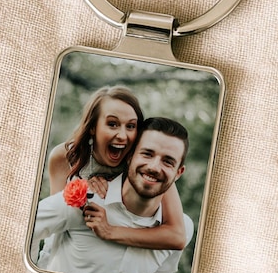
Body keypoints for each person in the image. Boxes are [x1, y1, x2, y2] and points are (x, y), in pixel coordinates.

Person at [32, 118, 194, 273]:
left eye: (168, 161)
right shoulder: (85, 200)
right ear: (129, 156)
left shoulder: (184, 228)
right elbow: (25, 228)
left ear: (179, 173)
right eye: (147, 154)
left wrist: (110, 231)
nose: (154, 167)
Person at [45, 86, 187, 251]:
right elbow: (55, 221)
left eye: (131, 126)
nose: (122, 135)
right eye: (112, 124)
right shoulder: (64, 156)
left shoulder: (146, 167)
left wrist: (110, 231)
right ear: (93, 127)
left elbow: (177, 235)